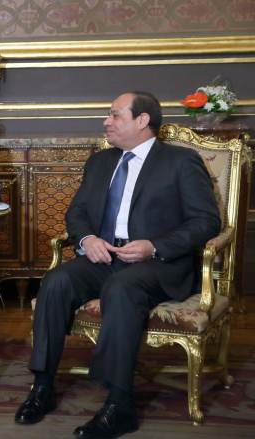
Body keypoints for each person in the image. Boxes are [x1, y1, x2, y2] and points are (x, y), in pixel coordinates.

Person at [14, 92, 220, 438]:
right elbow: (77, 212)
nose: (106, 121)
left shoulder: (181, 161)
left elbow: (206, 221)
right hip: (105, 257)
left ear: (142, 121)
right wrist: (87, 240)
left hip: (158, 264)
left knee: (122, 287)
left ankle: (120, 404)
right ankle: (42, 386)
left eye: (114, 115)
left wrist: (155, 247)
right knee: (57, 280)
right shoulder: (100, 162)